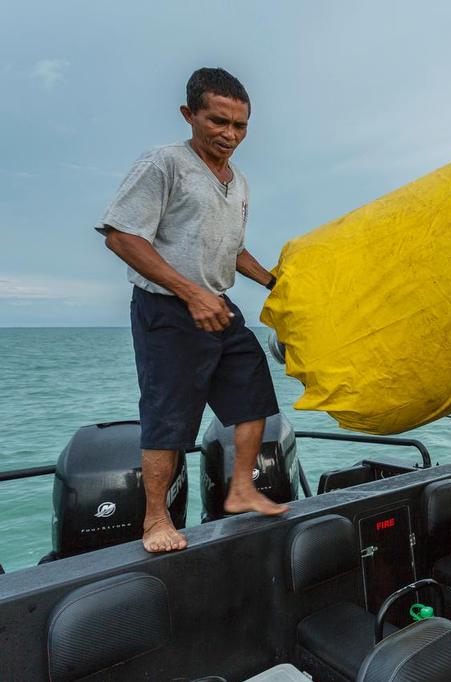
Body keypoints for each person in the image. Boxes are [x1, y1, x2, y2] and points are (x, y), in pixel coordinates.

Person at [96, 67, 287, 553]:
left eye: (240, 126)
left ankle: (241, 489)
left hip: (218, 305)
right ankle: (155, 521)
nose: (229, 135)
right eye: (218, 121)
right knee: (168, 417)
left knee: (254, 399)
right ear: (190, 115)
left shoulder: (238, 180)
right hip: (167, 310)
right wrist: (190, 293)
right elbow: (122, 235)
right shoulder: (164, 164)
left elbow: (233, 249)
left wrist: (273, 283)